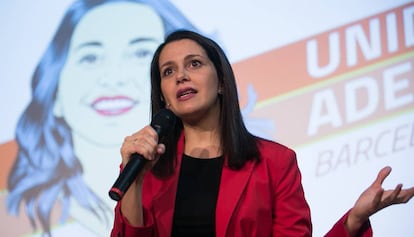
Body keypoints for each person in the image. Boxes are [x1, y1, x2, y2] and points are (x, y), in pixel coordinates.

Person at [110, 30, 414, 237]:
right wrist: (135, 182)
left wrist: (353, 222)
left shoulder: (275, 163)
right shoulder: (144, 165)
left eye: (194, 63)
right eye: (168, 71)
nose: (181, 76)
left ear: (221, 83)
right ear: (163, 96)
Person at [6, 0, 201, 236]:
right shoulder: (18, 210)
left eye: (140, 53)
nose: (113, 78)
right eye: (90, 58)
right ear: (54, 90)